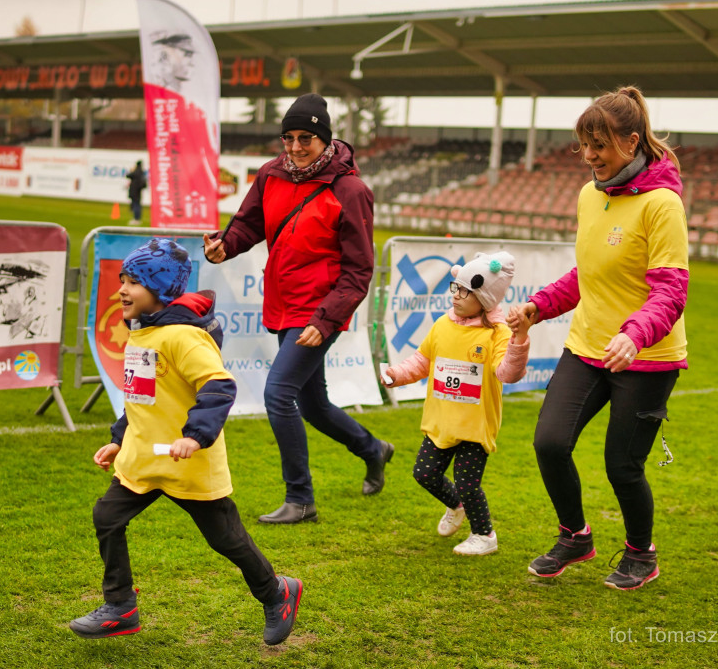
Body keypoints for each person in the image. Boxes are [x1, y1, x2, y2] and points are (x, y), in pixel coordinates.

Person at [69, 238, 302, 645]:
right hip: (144, 458)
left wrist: (195, 437)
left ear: (159, 288)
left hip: (187, 460)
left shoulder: (182, 337)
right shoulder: (142, 331)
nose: (122, 290)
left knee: (225, 538)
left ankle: (277, 592)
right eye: (122, 281)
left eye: (133, 282)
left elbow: (218, 385)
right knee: (107, 516)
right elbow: (141, 397)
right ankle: (120, 606)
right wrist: (120, 439)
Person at [507, 85, 688, 591]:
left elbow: (671, 290)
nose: (588, 156)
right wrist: (538, 306)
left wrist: (634, 334)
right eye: (584, 145)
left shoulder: (662, 204)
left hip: (647, 357)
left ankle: (640, 554)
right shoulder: (590, 195)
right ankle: (575, 537)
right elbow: (586, 274)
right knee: (549, 442)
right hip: (586, 348)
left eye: (599, 145)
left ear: (631, 142)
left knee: (622, 466)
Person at [202, 93, 393, 525]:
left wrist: (325, 321)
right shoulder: (271, 173)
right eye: (288, 137)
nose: (295, 146)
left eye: (305, 137)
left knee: (278, 392)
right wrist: (225, 246)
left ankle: (300, 499)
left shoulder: (352, 191)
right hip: (283, 300)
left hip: (320, 308)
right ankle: (373, 449)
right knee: (313, 404)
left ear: (324, 138)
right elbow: (249, 223)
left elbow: (359, 270)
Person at [383, 251, 529, 555]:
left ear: (484, 299)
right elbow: (422, 361)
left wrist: (519, 342)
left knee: (467, 483)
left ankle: (484, 535)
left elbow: (508, 374)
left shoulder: (498, 334)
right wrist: (396, 375)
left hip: (475, 426)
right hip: (441, 421)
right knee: (424, 474)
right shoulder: (442, 324)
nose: (456, 295)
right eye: (455, 288)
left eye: (465, 291)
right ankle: (456, 506)